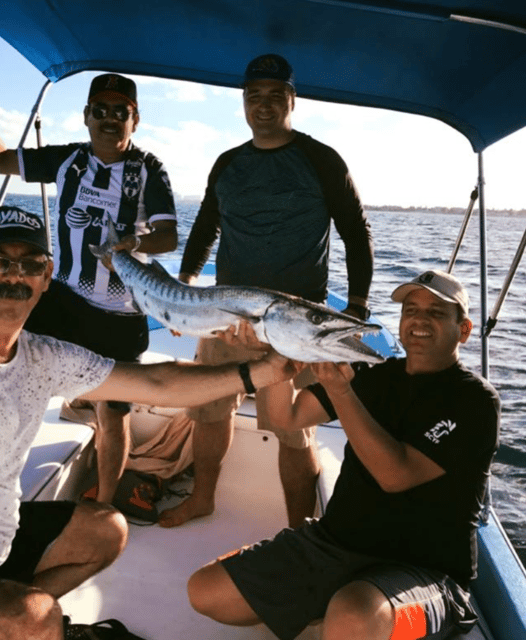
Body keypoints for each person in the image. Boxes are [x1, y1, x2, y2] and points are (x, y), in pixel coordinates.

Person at [0, 206, 296, 640]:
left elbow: (158, 382)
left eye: (30, 265)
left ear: (47, 279)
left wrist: (264, 372)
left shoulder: (44, 357)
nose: (14, 276)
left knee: (107, 529)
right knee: (33, 616)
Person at [187, 270, 500, 640]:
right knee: (206, 590)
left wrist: (341, 392)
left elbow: (394, 475)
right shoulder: (376, 375)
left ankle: (370, 620)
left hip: (429, 574)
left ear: (463, 330)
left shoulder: (475, 401)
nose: (419, 320)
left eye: (436, 312)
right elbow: (283, 417)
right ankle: (334, 604)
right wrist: (273, 353)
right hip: (337, 546)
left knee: (354, 617)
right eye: (411, 310)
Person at [159, 53, 373, 528]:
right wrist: (185, 287)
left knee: (292, 431)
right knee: (209, 411)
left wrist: (356, 305)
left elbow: (356, 234)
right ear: (243, 103)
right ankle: (203, 498)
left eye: (276, 96)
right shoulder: (228, 163)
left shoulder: (321, 159)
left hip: (294, 327)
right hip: (226, 314)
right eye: (255, 97)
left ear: (292, 100)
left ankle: (300, 529)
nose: (265, 106)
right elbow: (205, 228)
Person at [0, 72, 178, 504]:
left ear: (136, 119)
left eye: (120, 112)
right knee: (2, 371)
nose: (110, 119)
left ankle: (105, 502)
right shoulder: (68, 161)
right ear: (87, 116)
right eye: (101, 110)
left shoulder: (149, 170)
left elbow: (168, 237)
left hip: (121, 315)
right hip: (64, 301)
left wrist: (131, 243)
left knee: (113, 414)